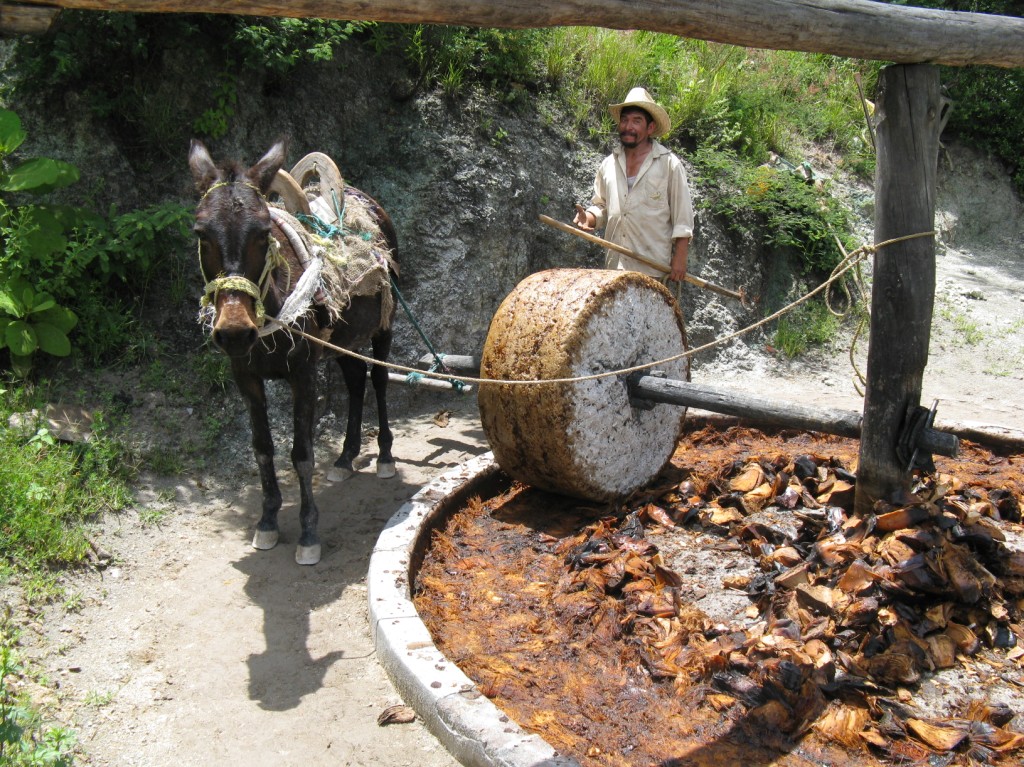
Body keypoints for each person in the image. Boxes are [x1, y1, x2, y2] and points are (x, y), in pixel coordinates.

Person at [573, 87, 694, 283]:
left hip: (651, 270)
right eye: (625, 120)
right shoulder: (608, 165)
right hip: (613, 269)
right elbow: (602, 206)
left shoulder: (669, 165)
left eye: (637, 121)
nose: (628, 126)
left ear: (650, 128)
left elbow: (683, 218)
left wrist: (680, 258)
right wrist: (589, 217)